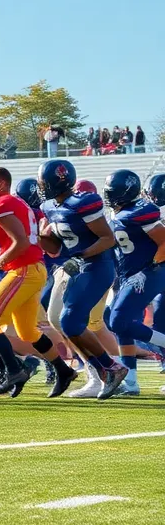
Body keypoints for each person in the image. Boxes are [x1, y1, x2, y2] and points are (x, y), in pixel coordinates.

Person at [0, 167, 74, 396]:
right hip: (32, 269)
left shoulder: (0, 204)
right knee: (28, 332)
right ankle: (64, 371)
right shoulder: (16, 202)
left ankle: (14, 369)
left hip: (22, 270)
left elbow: (20, 242)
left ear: (0, 184)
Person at [38, 159, 127, 397]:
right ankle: (104, 371)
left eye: (43, 181)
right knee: (61, 320)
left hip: (97, 265)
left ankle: (111, 368)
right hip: (75, 266)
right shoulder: (49, 207)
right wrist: (35, 236)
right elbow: (55, 247)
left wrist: (81, 256)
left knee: (71, 322)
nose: (41, 186)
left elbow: (107, 238)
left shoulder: (83, 202)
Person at [104, 169, 165, 398]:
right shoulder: (120, 212)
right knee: (118, 322)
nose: (108, 195)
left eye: (112, 192)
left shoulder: (140, 212)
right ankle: (130, 381)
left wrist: (149, 268)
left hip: (148, 271)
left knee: (118, 319)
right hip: (127, 273)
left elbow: (164, 241)